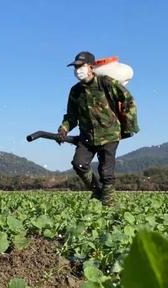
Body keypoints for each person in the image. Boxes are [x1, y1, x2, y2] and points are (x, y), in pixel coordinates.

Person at [57, 51, 139, 205]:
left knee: (106, 172)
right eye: (75, 68)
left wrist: (128, 126)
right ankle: (97, 192)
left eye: (81, 66)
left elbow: (128, 100)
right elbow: (71, 115)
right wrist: (64, 129)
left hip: (109, 134)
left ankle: (108, 205)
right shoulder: (75, 91)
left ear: (91, 67)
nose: (77, 70)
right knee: (79, 164)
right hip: (87, 136)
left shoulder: (105, 83)